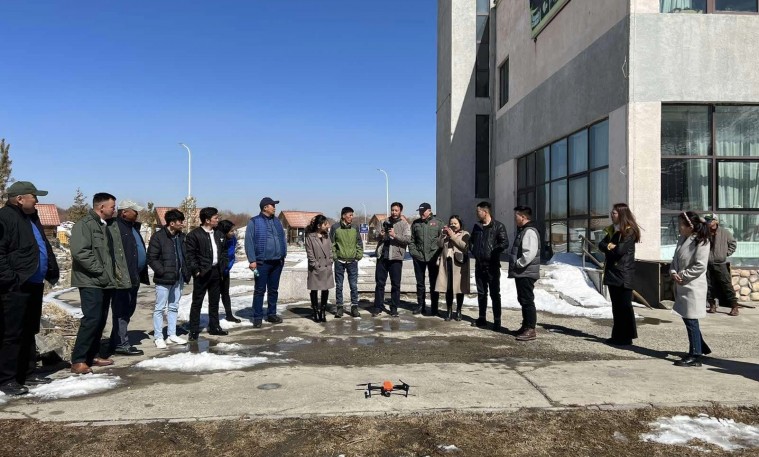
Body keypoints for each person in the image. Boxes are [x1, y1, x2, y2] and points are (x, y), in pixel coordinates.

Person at [0, 182, 59, 395]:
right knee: (11, 333)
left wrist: (51, 269)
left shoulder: (32, 217)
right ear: (19, 199)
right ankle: (7, 378)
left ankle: (27, 372)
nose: (37, 200)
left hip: (34, 284)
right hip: (16, 286)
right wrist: (11, 279)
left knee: (29, 330)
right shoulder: (5, 218)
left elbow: (43, 245)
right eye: (34, 196)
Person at [70, 192, 131, 374]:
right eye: (112, 206)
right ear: (101, 207)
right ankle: (78, 360)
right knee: (91, 319)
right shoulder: (85, 225)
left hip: (106, 281)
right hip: (91, 280)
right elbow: (81, 252)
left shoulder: (107, 225)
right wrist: (100, 271)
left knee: (101, 319)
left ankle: (92, 355)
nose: (115, 210)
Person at [671, 211, 712, 367]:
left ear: (690, 226)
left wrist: (683, 275)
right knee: (687, 317)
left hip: (693, 285)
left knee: (691, 319)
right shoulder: (682, 239)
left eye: (681, 224)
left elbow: (700, 266)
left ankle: (695, 355)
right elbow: (675, 258)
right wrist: (673, 272)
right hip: (682, 284)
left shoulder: (702, 241)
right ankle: (701, 346)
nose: (679, 227)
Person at [108, 200, 149, 356]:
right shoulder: (116, 227)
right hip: (123, 277)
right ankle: (121, 343)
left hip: (134, 276)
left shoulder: (132, 227)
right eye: (134, 210)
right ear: (124, 212)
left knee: (128, 310)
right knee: (121, 310)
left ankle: (116, 340)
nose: (137, 213)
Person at [598, 203, 642, 346]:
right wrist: (609, 246)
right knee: (616, 307)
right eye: (612, 213)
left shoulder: (629, 231)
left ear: (622, 214)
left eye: (615, 213)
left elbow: (619, 252)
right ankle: (617, 335)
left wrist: (609, 248)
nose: (612, 215)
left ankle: (626, 337)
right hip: (613, 273)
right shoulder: (613, 230)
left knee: (624, 307)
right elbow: (601, 245)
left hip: (623, 274)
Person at [148, 209, 190, 349]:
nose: (182, 223)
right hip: (164, 279)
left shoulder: (181, 237)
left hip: (178, 278)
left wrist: (186, 271)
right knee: (160, 308)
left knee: (174, 306)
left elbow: (185, 256)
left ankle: (172, 334)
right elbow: (152, 258)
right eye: (180, 221)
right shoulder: (158, 237)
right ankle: (158, 337)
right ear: (172, 223)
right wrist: (162, 271)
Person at [185, 207, 228, 340]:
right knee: (197, 302)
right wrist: (196, 271)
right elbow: (190, 255)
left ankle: (214, 327)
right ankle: (194, 330)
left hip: (216, 272)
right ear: (207, 220)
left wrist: (223, 265)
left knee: (214, 301)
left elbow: (224, 251)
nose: (218, 220)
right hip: (202, 273)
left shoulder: (219, 234)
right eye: (215, 218)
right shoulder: (194, 235)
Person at [245, 197, 287, 328]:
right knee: (259, 290)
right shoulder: (254, 222)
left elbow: (282, 238)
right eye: (272, 205)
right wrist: (252, 260)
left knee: (273, 290)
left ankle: (271, 314)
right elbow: (249, 241)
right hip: (262, 263)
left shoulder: (277, 221)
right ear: (265, 207)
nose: (274, 207)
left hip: (277, 262)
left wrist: (283, 254)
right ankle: (257, 317)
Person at [469, 201, 509, 331]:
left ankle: (497, 320)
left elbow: (504, 243)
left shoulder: (498, 226)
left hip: (492, 266)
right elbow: (471, 242)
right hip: (479, 265)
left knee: (494, 294)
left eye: (478, 211)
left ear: (485, 212)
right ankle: (482, 318)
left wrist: (494, 252)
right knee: (481, 293)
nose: (476, 213)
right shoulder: (477, 227)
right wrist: (474, 251)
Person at [372, 202, 411, 317]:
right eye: (392, 210)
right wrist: (380, 235)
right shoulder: (382, 222)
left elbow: (407, 240)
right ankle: (378, 307)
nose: (394, 212)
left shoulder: (404, 224)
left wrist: (395, 235)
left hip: (396, 258)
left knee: (395, 284)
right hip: (382, 257)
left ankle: (394, 308)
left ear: (400, 211)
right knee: (380, 284)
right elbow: (374, 236)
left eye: (396, 210)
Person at [508, 206, 541, 341]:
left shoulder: (529, 231)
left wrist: (518, 263)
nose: (515, 218)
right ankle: (526, 326)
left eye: (516, 215)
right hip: (523, 272)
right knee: (523, 299)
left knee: (527, 300)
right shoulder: (524, 230)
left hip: (526, 272)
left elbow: (529, 253)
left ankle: (530, 329)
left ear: (523, 217)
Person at [409, 203, 443, 316]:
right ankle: (421, 306)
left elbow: (443, 240)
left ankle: (434, 308)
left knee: (434, 283)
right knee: (420, 283)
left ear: (429, 211)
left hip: (433, 257)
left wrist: (439, 254)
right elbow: (411, 240)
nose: (421, 213)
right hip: (419, 257)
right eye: (420, 211)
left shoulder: (438, 223)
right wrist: (414, 253)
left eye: (423, 211)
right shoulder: (416, 223)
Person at [435, 215, 470, 321]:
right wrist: (443, 235)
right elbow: (439, 244)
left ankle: (458, 311)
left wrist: (453, 236)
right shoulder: (446, 233)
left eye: (455, 223)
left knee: (459, 288)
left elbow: (465, 246)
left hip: (459, 263)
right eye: (451, 223)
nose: (453, 225)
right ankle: (449, 311)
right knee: (448, 288)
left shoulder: (465, 233)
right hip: (447, 262)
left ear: (460, 224)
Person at [330, 207, 363, 318]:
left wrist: (358, 256)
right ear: (343, 216)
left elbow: (359, 242)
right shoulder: (335, 227)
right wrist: (335, 257)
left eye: (352, 215)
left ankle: (354, 307)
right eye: (350, 215)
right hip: (339, 261)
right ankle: (339, 308)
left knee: (353, 285)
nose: (351, 217)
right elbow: (332, 244)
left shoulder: (355, 228)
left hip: (352, 262)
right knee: (339, 285)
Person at [703, 214, 739, 316]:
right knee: (709, 285)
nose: (708, 222)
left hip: (720, 263)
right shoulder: (704, 232)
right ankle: (712, 305)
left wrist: (726, 253)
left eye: (710, 220)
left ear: (716, 221)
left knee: (726, 284)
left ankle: (734, 306)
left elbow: (733, 244)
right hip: (707, 263)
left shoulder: (725, 232)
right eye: (707, 220)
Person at [306, 215, 335, 322]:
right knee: (314, 289)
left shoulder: (327, 236)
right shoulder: (310, 237)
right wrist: (315, 264)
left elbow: (331, 250)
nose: (327, 225)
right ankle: (315, 311)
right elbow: (309, 253)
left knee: (325, 289)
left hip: (326, 266)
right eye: (325, 224)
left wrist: (330, 260)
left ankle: (322, 311)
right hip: (315, 268)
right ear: (319, 225)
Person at [217, 219, 242, 323]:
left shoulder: (233, 240)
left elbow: (231, 256)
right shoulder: (217, 240)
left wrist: (227, 268)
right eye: (231, 231)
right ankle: (213, 319)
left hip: (226, 270)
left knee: (225, 293)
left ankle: (229, 315)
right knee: (214, 296)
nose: (233, 233)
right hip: (216, 271)